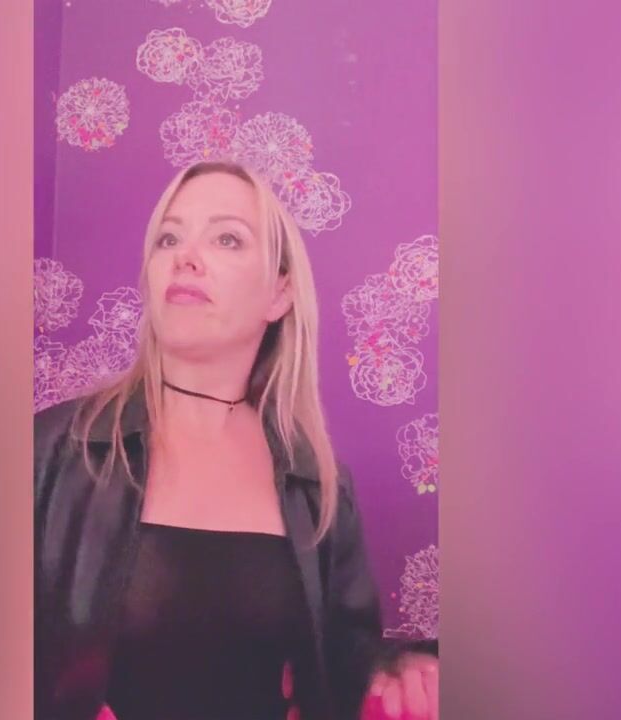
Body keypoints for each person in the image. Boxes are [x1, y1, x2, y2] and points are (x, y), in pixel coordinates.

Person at [34, 161, 438, 720]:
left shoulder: (317, 484)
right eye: (169, 238)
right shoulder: (52, 450)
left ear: (279, 293)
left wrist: (401, 670)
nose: (186, 256)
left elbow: (345, 665)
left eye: (227, 238)